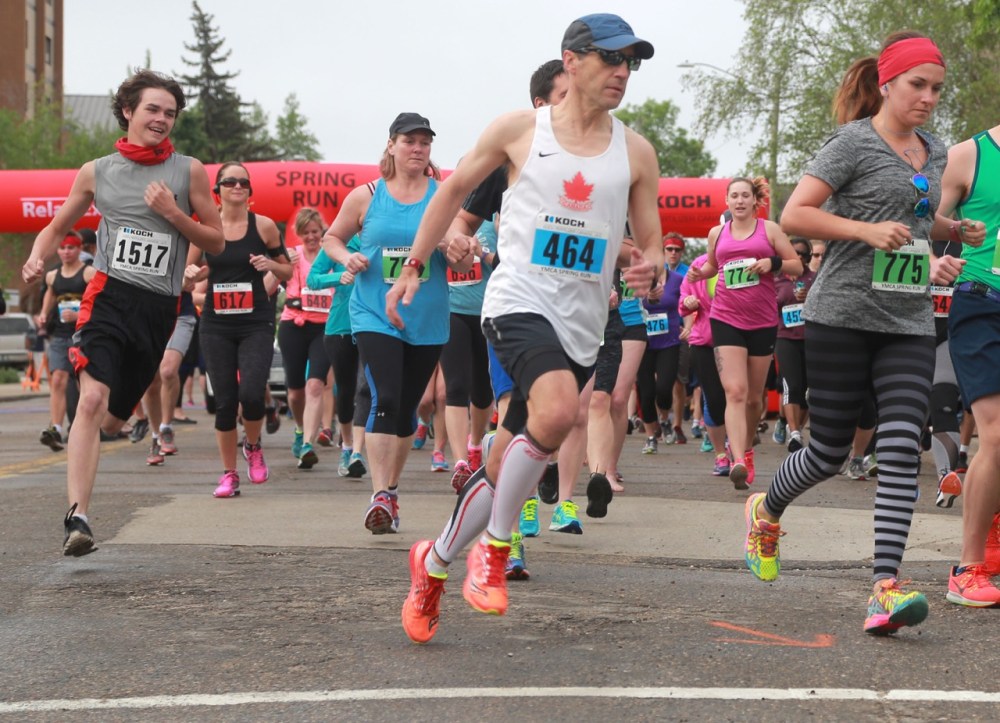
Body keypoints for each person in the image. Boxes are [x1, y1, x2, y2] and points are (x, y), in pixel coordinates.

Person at [394, 13, 661, 644]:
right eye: (610, 59)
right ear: (571, 61)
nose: (622, 73)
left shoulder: (637, 151)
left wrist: (649, 267)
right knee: (562, 409)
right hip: (516, 301)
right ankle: (496, 548)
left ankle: (432, 564)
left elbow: (648, 239)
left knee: (499, 468)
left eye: (632, 63)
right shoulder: (520, 130)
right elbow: (452, 190)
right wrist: (414, 266)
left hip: (583, 321)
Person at [744, 32, 981, 632]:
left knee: (902, 442)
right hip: (840, 316)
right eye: (916, 86)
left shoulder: (933, 151)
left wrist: (951, 235)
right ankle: (766, 510)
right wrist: (863, 232)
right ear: (886, 84)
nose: (928, 98)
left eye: (936, 88)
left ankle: (885, 587)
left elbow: (916, 222)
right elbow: (795, 214)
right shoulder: (851, 143)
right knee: (826, 450)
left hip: (907, 319)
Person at [21, 69, 223, 556]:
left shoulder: (188, 171)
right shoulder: (97, 171)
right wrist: (36, 256)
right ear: (128, 111)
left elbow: (215, 239)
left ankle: (119, 426)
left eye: (170, 113)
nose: (161, 119)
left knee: (111, 420)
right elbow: (55, 227)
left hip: (158, 309)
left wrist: (174, 216)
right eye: (153, 109)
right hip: (108, 298)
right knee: (88, 402)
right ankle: (79, 518)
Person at [322, 112, 450, 535]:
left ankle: (391, 493)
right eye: (409, 140)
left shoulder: (443, 195)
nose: (417, 148)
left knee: (406, 412)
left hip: (427, 316)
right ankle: (378, 494)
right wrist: (347, 258)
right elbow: (331, 238)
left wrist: (462, 249)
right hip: (374, 313)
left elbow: (458, 246)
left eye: (424, 142)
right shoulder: (366, 196)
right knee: (386, 397)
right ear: (391, 145)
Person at [688, 178, 801, 488]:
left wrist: (772, 262)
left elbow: (797, 266)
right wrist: (701, 273)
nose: (739, 201)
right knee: (734, 392)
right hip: (725, 318)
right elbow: (714, 266)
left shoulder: (770, 230)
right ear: (727, 201)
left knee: (752, 398)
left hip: (762, 321)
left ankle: (747, 451)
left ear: (755, 201)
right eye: (734, 196)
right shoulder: (717, 233)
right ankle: (737, 459)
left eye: (745, 196)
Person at [186, 162, 291, 498]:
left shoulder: (263, 227)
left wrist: (269, 265)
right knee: (225, 402)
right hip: (216, 323)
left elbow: (288, 270)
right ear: (216, 190)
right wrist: (194, 275)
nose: (237, 186)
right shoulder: (204, 228)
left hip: (255, 322)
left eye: (243, 182)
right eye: (229, 182)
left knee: (251, 392)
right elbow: (191, 271)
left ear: (250, 190)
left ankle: (254, 445)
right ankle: (229, 474)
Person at [937, 120, 1000, 605]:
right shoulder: (968, 156)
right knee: (995, 434)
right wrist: (935, 260)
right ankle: (968, 568)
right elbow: (923, 223)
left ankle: (993, 527)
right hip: (982, 301)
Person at [307, 234, 368, 478]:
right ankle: (347, 446)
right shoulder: (339, 244)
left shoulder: (382, 240)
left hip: (375, 326)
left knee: (367, 388)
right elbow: (312, 279)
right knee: (345, 391)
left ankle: (358, 453)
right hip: (340, 328)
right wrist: (337, 277)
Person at [278, 208, 334, 469]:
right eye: (306, 232)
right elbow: (268, 284)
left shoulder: (331, 255)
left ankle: (308, 445)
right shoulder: (292, 256)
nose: (312, 237)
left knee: (315, 385)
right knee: (295, 393)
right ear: (298, 234)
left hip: (323, 327)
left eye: (316, 231)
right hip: (293, 325)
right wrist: (281, 266)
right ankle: (300, 429)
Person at [36, 231, 96, 451]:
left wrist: (80, 312)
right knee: (58, 379)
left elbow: (99, 301)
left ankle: (84, 426)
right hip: (61, 335)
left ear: (79, 249)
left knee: (83, 383)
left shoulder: (89, 273)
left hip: (84, 335)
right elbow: (50, 294)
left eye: (71, 248)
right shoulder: (53, 275)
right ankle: (56, 429)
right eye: (62, 248)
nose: (66, 252)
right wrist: (44, 313)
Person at [773, 237, 816, 453]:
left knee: (808, 390)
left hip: (811, 340)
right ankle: (794, 432)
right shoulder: (776, 280)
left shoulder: (815, 279)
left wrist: (810, 298)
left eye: (803, 254)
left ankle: (797, 428)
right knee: (791, 385)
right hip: (785, 339)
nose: (799, 257)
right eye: (794, 252)